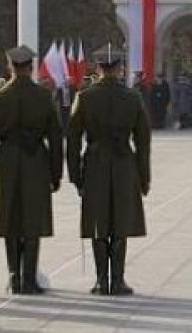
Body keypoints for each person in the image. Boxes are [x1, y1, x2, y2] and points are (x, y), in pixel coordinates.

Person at [67, 45, 151, 296]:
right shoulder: (133, 97)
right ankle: (119, 280)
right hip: (124, 162)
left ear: (99, 68)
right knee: (120, 222)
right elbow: (143, 142)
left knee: (98, 222)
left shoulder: (85, 97)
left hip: (95, 163)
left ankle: (101, 280)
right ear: (119, 68)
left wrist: (75, 176)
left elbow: (72, 140)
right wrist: (143, 177)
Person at [0, 45, 63, 295]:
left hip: (6, 162)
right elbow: (56, 138)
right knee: (32, 222)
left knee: (9, 222)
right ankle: (29, 278)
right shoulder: (44, 96)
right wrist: (55, 173)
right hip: (35, 160)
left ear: (10, 67)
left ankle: (14, 276)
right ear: (31, 67)